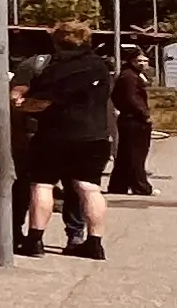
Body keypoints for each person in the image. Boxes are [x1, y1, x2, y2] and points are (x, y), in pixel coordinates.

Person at [15, 14, 118, 258]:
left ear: (58, 42)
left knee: (42, 184)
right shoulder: (99, 66)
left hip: (56, 135)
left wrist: (20, 105)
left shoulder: (57, 69)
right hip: (95, 136)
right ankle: (94, 242)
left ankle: (35, 240)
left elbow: (39, 102)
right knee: (89, 187)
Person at [109, 51, 156, 196]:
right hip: (134, 119)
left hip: (130, 119)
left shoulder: (133, 75)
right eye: (139, 60)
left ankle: (118, 185)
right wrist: (144, 114)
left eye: (145, 61)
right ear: (132, 61)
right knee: (136, 154)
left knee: (126, 154)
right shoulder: (129, 77)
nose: (143, 63)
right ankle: (141, 186)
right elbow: (132, 98)